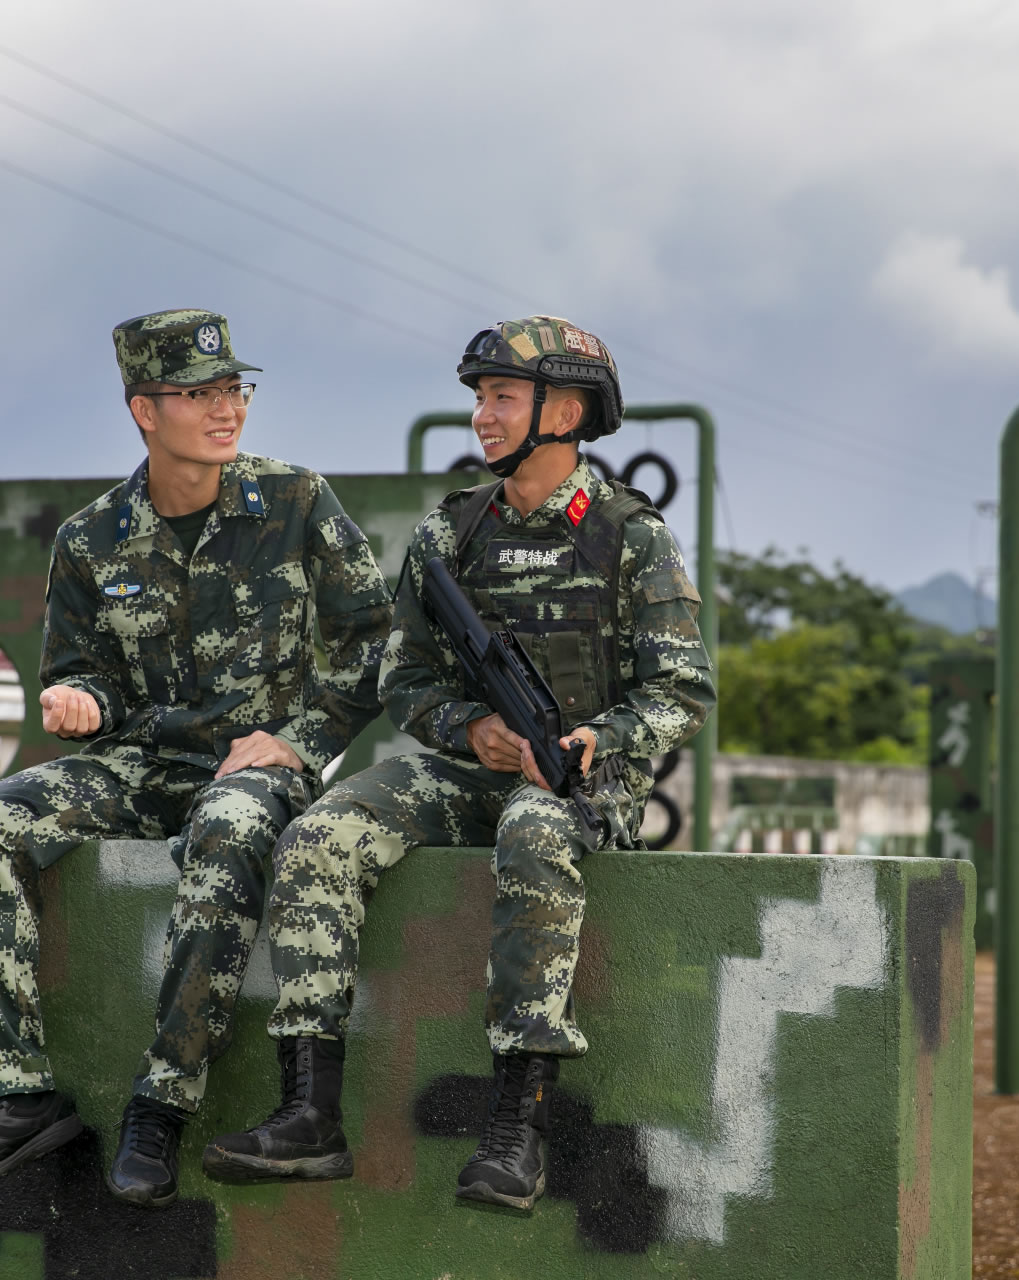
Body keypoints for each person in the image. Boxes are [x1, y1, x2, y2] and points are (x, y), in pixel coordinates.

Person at [204, 316, 714, 1211]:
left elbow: (683, 692)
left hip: (577, 781)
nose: (483, 416)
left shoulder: (632, 537)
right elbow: (402, 675)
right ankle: (308, 1114)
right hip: (466, 769)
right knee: (322, 831)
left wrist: (603, 739)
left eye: (502, 398)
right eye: (480, 398)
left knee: (532, 832)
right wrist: (468, 725)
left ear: (566, 409)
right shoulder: (452, 534)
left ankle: (517, 1128)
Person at [0, 309, 392, 1209]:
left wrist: (301, 740)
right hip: (138, 767)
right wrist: (81, 702)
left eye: (233, 389)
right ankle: (17, 1100)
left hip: (258, 769)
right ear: (144, 408)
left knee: (229, 828)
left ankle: (161, 1106)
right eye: (199, 394)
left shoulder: (296, 503)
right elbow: (83, 674)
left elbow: (378, 644)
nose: (226, 410)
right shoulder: (92, 539)